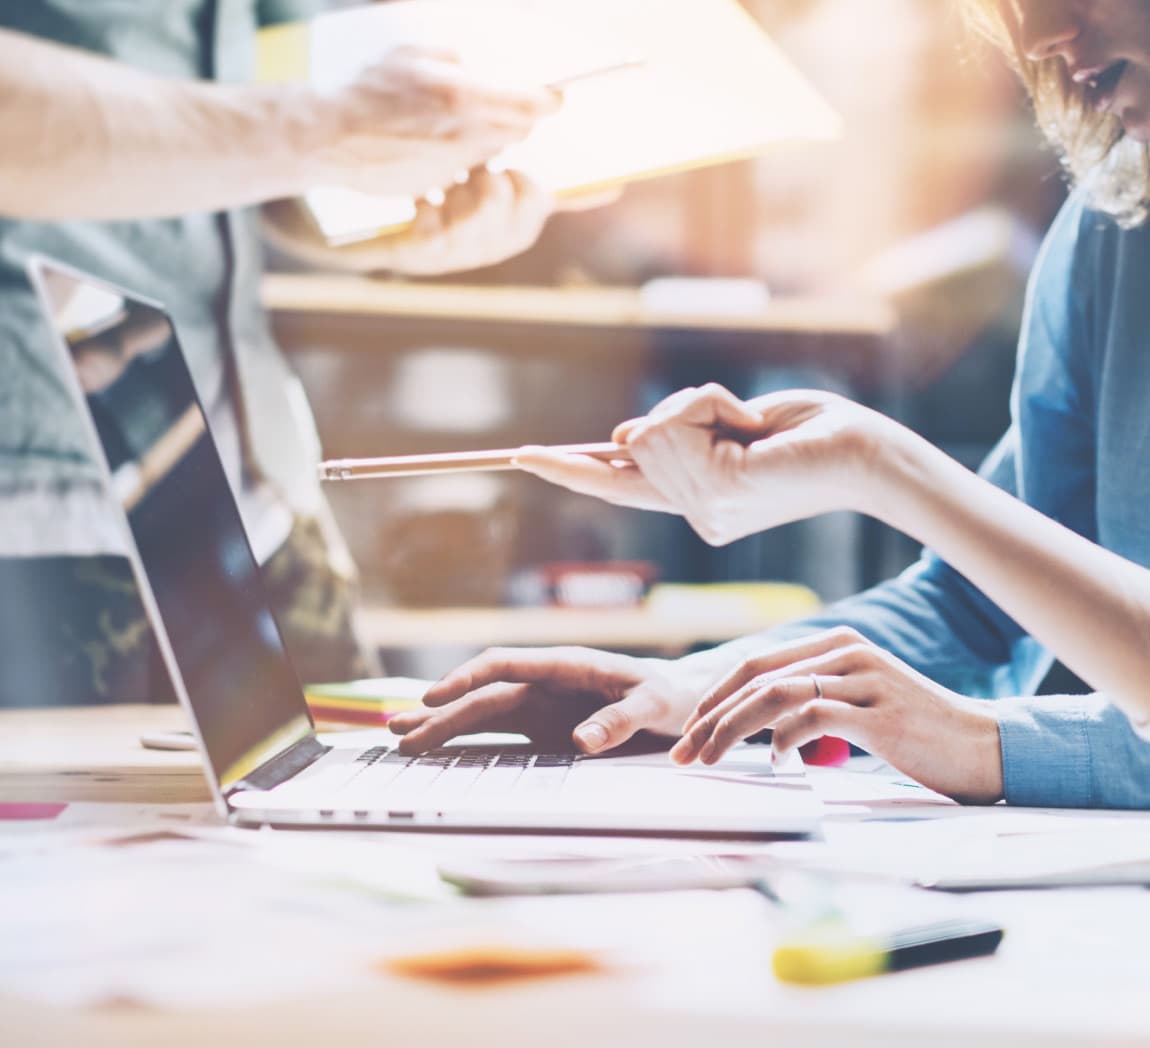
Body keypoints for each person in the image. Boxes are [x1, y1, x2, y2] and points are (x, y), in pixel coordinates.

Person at [390, 0, 1150, 810]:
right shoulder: (1114, 226)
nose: (1039, 38)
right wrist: (689, 690)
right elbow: (981, 606)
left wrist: (983, 741)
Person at [0, 3, 574, 707]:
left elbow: (248, 151)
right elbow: (289, 128)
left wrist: (393, 223)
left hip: (261, 495)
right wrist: (319, 131)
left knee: (364, 803)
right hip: (35, 520)